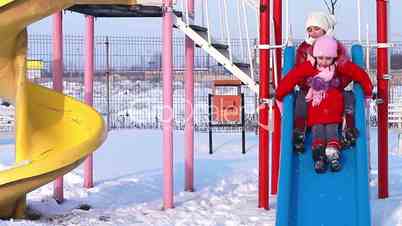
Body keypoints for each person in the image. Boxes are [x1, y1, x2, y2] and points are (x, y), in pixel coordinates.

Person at [276, 36, 373, 173]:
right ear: (315, 56)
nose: (324, 61)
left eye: (328, 58)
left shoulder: (339, 67)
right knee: (318, 132)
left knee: (332, 131)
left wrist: (368, 92)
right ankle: (319, 156)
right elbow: (292, 78)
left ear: (334, 57)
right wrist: (279, 95)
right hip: (316, 111)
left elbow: (359, 74)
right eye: (320, 58)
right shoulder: (310, 66)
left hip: (333, 111)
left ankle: (333, 153)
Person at [293, 12, 356, 153]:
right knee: (301, 99)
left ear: (325, 29)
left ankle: (348, 129)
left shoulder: (335, 46)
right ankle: (299, 131)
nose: (313, 32)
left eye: (316, 28)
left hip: (332, 87)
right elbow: (299, 73)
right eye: (309, 29)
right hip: (311, 89)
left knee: (347, 98)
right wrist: (310, 83)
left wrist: (338, 83)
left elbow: (346, 70)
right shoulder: (304, 48)